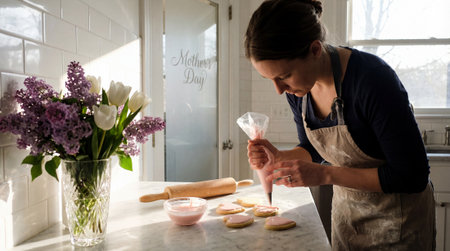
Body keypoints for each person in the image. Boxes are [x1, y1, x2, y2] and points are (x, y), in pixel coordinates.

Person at [245, 0, 436, 250]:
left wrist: (325, 174)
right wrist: (279, 157)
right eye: (269, 79)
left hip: (399, 224)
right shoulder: (299, 90)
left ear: (315, 50)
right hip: (348, 221)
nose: (279, 90)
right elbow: (312, 148)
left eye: (284, 76)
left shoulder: (372, 80)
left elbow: (412, 176)